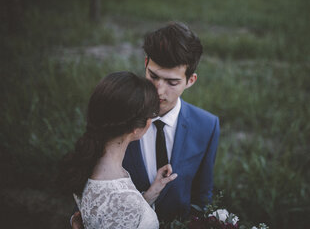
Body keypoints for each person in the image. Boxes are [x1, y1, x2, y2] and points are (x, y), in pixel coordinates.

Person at [71, 22, 220, 227]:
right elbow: (87, 180)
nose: (158, 91)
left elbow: (202, 196)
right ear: (145, 63)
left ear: (191, 80)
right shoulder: (118, 111)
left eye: (172, 82)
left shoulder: (207, 126)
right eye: (153, 76)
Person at [60, 71, 177, 229]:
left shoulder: (87, 164)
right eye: (152, 114)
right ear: (137, 128)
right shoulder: (125, 199)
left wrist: (149, 195)